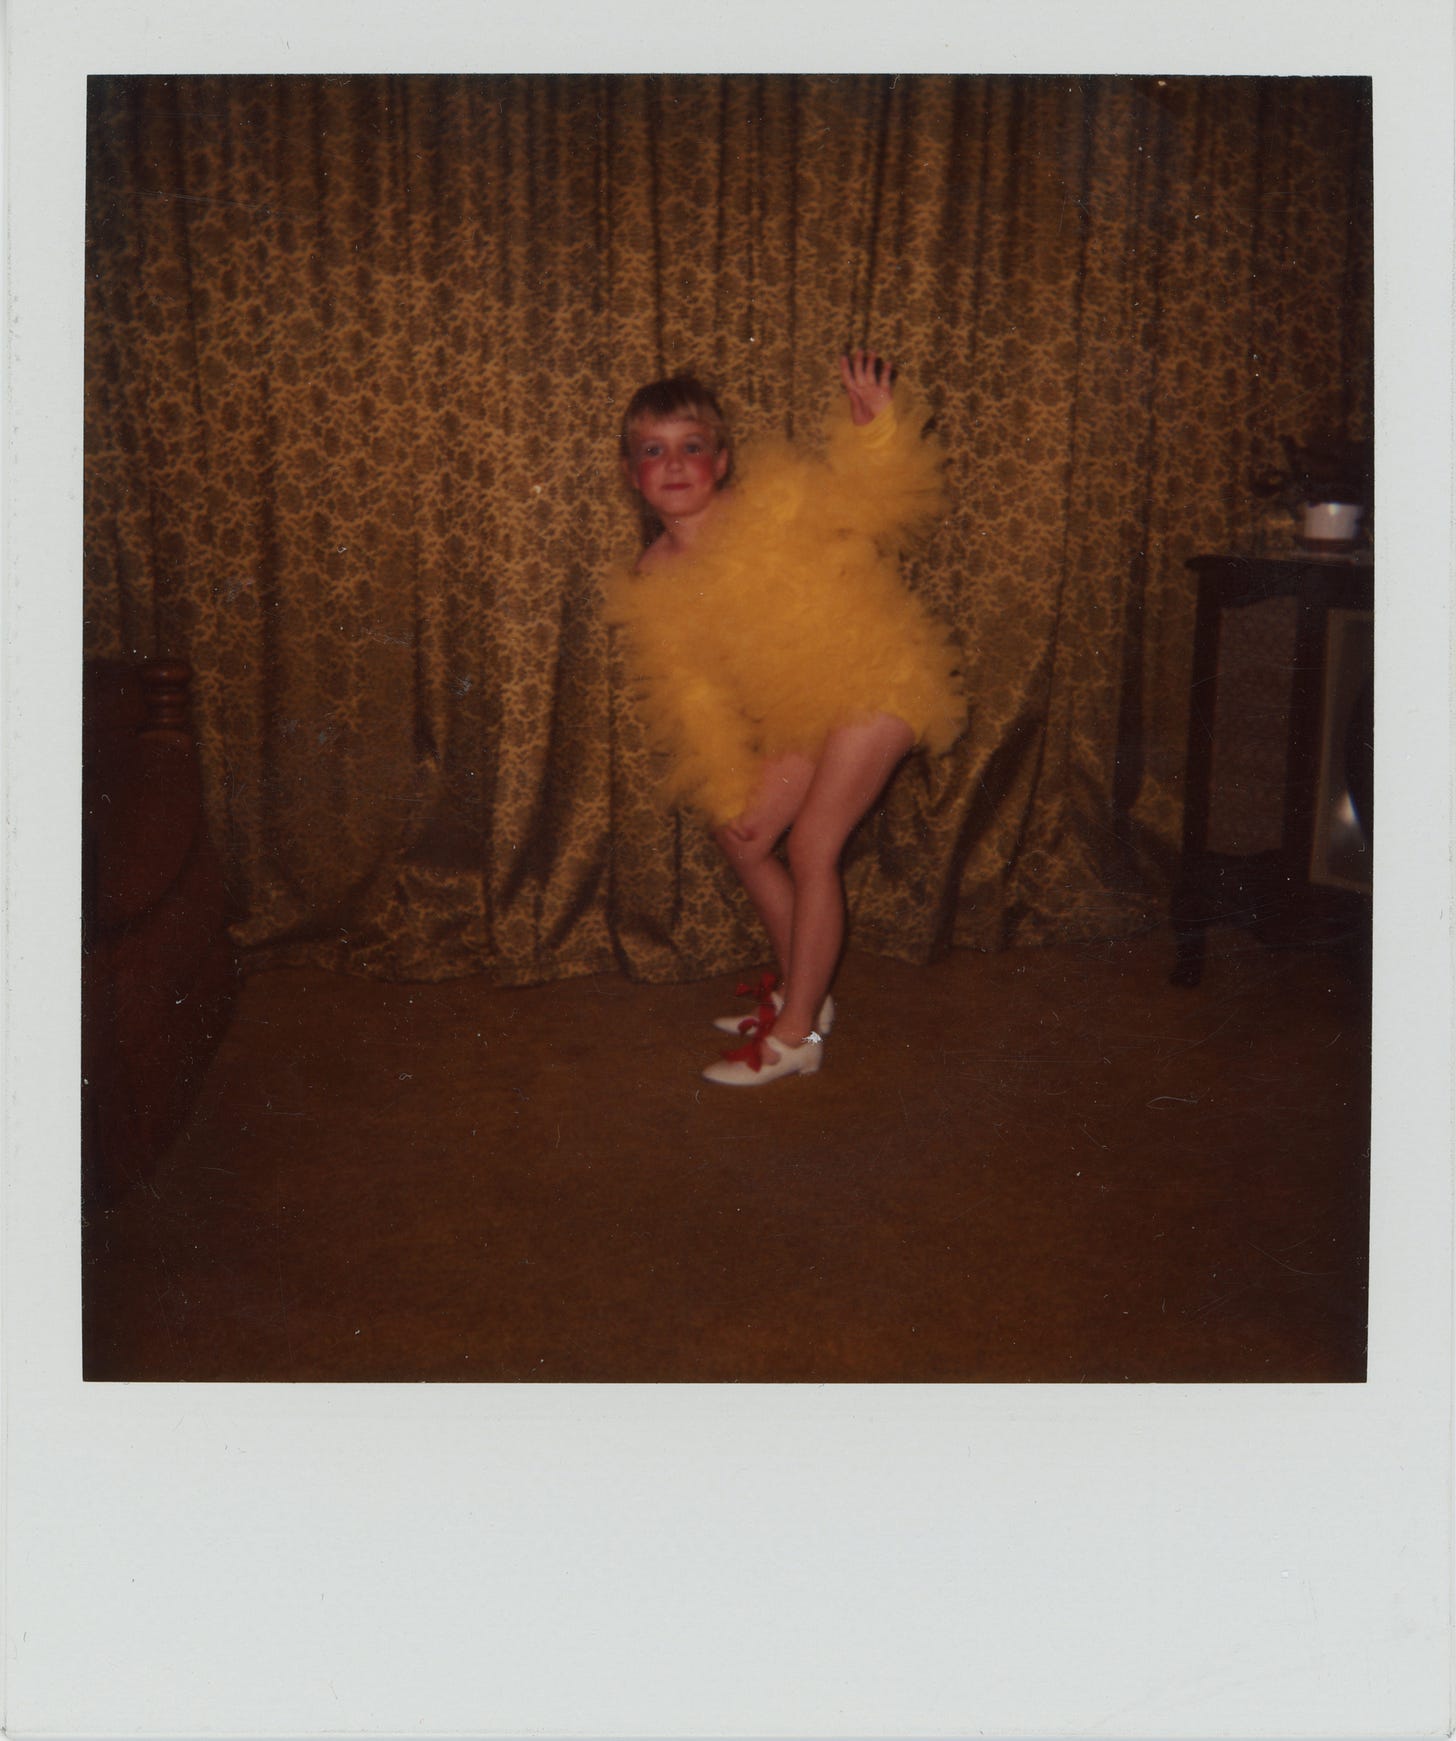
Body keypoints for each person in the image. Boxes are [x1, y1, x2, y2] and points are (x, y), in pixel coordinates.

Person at [604, 351, 965, 1087]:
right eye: (653, 450)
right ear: (631, 470)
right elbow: (694, 695)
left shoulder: (771, 499)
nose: (674, 465)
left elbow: (869, 500)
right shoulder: (653, 573)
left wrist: (873, 432)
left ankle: (795, 1035)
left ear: (723, 459)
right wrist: (732, 782)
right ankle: (807, 989)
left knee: (813, 847)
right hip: (809, 709)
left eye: (691, 447)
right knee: (744, 835)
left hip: (877, 679)